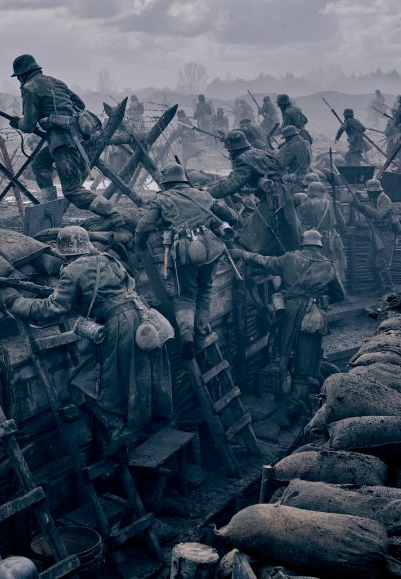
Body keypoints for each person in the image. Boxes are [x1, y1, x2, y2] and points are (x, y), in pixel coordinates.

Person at [9, 226, 172, 451]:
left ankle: (118, 430)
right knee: (138, 372)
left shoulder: (72, 270)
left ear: (66, 251)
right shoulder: (108, 259)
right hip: (143, 318)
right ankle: (142, 423)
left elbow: (53, 308)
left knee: (92, 383)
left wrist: (17, 303)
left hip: (120, 325)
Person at [231, 230, 345, 413]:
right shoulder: (328, 266)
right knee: (307, 358)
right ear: (319, 246)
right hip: (312, 315)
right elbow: (340, 295)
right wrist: (323, 299)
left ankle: (281, 393)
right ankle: (296, 401)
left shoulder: (289, 258)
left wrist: (242, 254)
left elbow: (264, 261)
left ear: (303, 244)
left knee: (283, 352)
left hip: (288, 312)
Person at [135, 164, 241, 358]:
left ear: (166, 183)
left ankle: (186, 335)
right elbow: (232, 217)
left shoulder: (161, 199)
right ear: (184, 179)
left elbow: (143, 228)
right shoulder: (204, 195)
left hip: (183, 253)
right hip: (211, 250)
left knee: (185, 296)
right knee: (205, 291)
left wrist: (139, 244)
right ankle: (199, 338)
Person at [8, 54, 121, 225]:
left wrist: (18, 122)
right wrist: (60, 115)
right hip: (72, 137)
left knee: (72, 190)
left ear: (23, 75)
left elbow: (29, 125)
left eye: (18, 77)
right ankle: (50, 208)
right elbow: (80, 105)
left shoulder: (29, 88)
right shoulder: (57, 82)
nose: (18, 80)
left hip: (63, 142)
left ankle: (111, 213)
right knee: (40, 164)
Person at [210, 131, 300, 255]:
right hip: (282, 193)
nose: (229, 154)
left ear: (233, 149)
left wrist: (208, 192)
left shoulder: (243, 159)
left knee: (252, 237)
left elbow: (234, 183)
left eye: (229, 150)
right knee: (287, 229)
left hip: (272, 198)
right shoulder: (259, 152)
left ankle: (250, 259)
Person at [297, 179, 346, 281]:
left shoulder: (304, 206)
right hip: (333, 238)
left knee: (317, 265)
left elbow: (300, 227)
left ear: (311, 190)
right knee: (335, 264)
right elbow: (342, 222)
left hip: (314, 240)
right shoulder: (332, 204)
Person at [356, 178, 398, 295]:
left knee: (382, 264)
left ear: (374, 191)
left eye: (369, 191)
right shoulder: (374, 199)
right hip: (377, 234)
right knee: (370, 264)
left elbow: (379, 215)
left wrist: (364, 208)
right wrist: (361, 207)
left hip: (386, 234)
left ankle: (390, 290)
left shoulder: (384, 199)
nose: (367, 193)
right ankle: (380, 287)